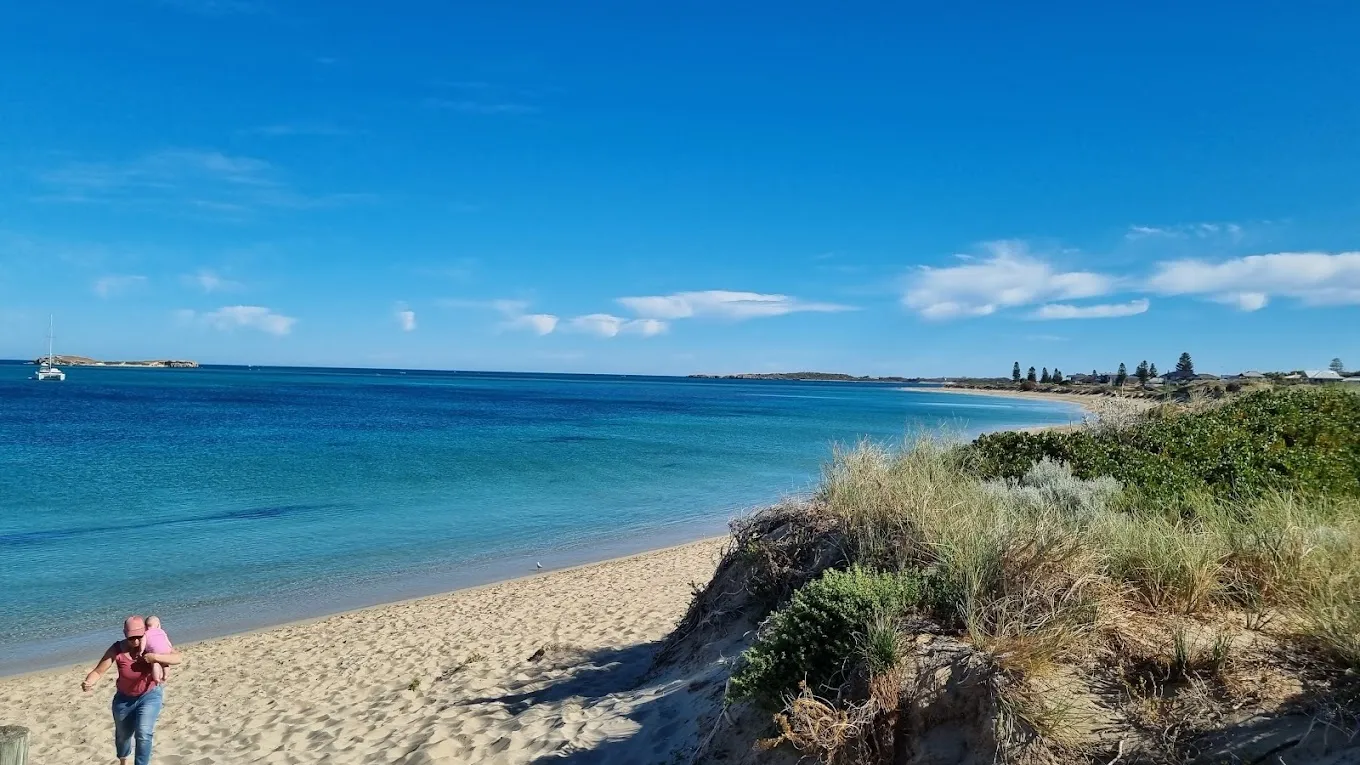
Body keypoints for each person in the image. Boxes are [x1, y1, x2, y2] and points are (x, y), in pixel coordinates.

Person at [81, 615, 182, 765]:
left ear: (145, 633)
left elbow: (178, 658)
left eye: (139, 637)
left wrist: (155, 657)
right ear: (124, 634)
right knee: (123, 735)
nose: (135, 641)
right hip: (124, 699)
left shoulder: (152, 644)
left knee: (144, 733)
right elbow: (99, 671)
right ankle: (123, 760)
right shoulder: (117, 649)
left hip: (150, 695)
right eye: (131, 638)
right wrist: (89, 681)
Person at [142, 616, 173, 684]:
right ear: (158, 625)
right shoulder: (161, 631)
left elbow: (143, 643)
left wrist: (141, 651)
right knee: (165, 664)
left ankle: (156, 679)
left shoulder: (146, 633)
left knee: (155, 664)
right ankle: (165, 676)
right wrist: (170, 648)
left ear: (146, 627)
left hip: (155, 651)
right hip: (165, 650)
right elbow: (167, 641)